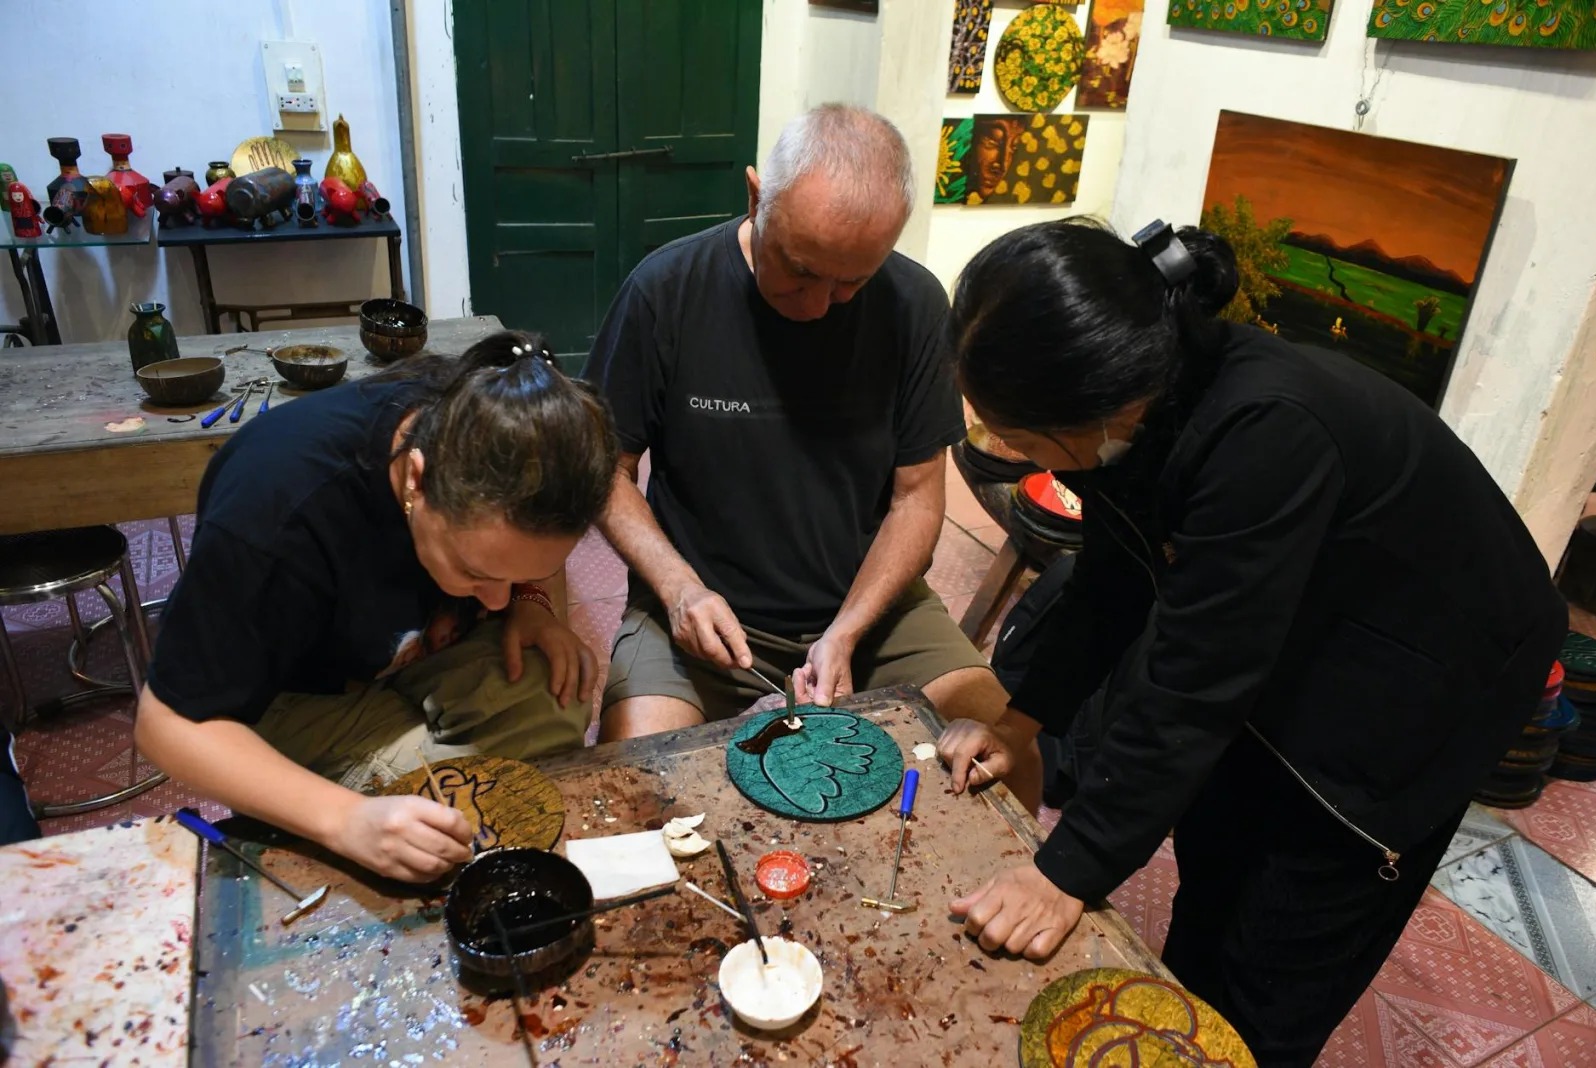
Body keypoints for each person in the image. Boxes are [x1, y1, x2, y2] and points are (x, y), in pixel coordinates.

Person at [935, 218, 1565, 1067]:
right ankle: (1196, 1009)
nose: (1008, 454)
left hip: (1425, 676)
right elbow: (1111, 584)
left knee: (1279, 953)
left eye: (1020, 439)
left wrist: (1065, 873)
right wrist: (1020, 720)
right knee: (1215, 864)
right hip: (1311, 625)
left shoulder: (1267, 431)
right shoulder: (1143, 409)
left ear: (1108, 400)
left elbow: (1195, 684)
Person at [582, 104, 1036, 802]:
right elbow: (604, 474)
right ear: (757, 197)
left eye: (851, 283)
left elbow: (918, 498)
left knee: (1004, 751)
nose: (820, 305)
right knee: (634, 790)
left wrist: (847, 631)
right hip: (701, 607)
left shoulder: (915, 303)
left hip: (869, 608)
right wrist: (677, 588)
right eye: (799, 272)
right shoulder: (664, 292)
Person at [135, 331, 618, 883]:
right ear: (416, 478)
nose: (496, 600)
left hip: (403, 649)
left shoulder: (485, 409)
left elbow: (523, 562)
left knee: (555, 692)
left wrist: (534, 601)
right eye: (476, 571)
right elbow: (164, 724)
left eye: (518, 577)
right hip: (288, 694)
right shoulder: (275, 516)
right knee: (455, 814)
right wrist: (346, 820)